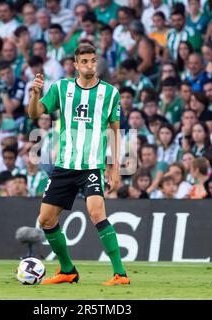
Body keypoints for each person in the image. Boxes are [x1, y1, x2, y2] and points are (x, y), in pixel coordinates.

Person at [27, 43, 129, 286]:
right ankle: (67, 270)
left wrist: (114, 169)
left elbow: (115, 132)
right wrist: (34, 94)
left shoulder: (110, 93)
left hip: (92, 166)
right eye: (84, 61)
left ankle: (120, 274)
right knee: (46, 220)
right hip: (64, 165)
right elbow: (34, 114)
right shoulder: (62, 88)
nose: (89, 65)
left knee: (96, 213)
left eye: (93, 60)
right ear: (75, 65)